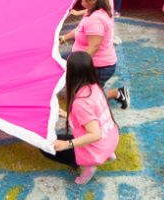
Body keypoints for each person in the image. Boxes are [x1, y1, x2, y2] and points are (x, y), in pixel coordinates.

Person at [41, 50, 121, 185]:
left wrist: (67, 144)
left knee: (46, 147)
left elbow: (95, 134)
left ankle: (89, 167)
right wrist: (66, 114)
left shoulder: (80, 102)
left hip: (96, 148)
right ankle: (108, 153)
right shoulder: (95, 87)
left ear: (71, 74)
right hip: (111, 137)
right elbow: (96, 117)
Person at [58, 0, 129, 108]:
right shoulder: (92, 12)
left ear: (93, 0)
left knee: (88, 98)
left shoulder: (96, 20)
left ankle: (118, 93)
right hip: (90, 62)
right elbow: (80, 29)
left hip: (99, 66)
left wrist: (77, 65)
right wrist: (64, 38)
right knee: (81, 91)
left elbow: (94, 46)